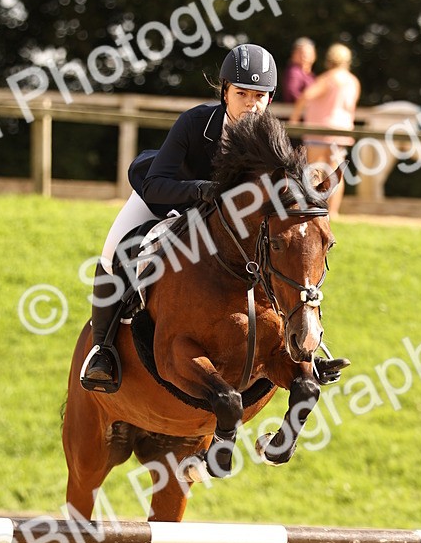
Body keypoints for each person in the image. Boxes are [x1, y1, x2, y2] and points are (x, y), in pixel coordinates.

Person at [80, 43, 277, 393]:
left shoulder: (269, 138)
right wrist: (201, 189)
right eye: (242, 93)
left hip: (218, 219)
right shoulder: (195, 122)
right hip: (163, 198)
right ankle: (103, 351)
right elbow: (157, 184)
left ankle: (300, 346)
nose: (251, 103)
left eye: (259, 95)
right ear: (225, 92)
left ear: (270, 98)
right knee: (115, 252)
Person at [290, 43, 360, 218]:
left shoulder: (327, 78)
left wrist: (295, 118)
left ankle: (314, 208)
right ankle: (333, 211)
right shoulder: (353, 81)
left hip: (320, 129)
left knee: (314, 170)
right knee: (336, 172)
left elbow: (306, 95)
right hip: (343, 132)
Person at [282, 37, 317, 104]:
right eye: (301, 53)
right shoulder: (293, 72)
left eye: (308, 53)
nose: (305, 56)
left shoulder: (310, 74)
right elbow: (292, 93)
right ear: (294, 54)